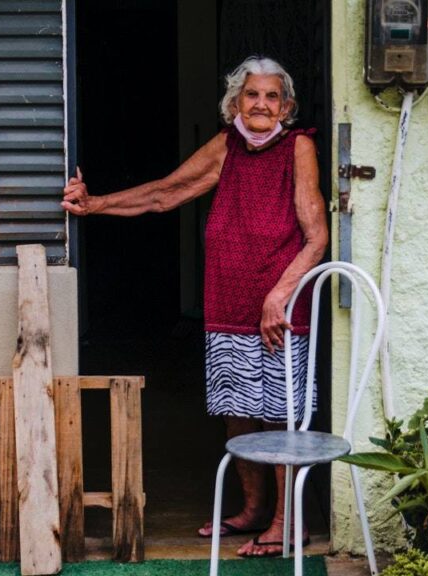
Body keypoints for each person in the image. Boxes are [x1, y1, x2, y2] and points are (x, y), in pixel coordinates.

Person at [61, 56, 327, 558]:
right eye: (253, 95)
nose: (262, 104)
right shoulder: (228, 145)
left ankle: (286, 522)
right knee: (237, 410)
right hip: (228, 301)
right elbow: (166, 193)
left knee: (282, 413)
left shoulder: (298, 147)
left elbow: (316, 238)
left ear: (287, 106)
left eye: (273, 97)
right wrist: (95, 204)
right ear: (235, 103)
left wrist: (279, 295)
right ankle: (251, 511)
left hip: (279, 306)